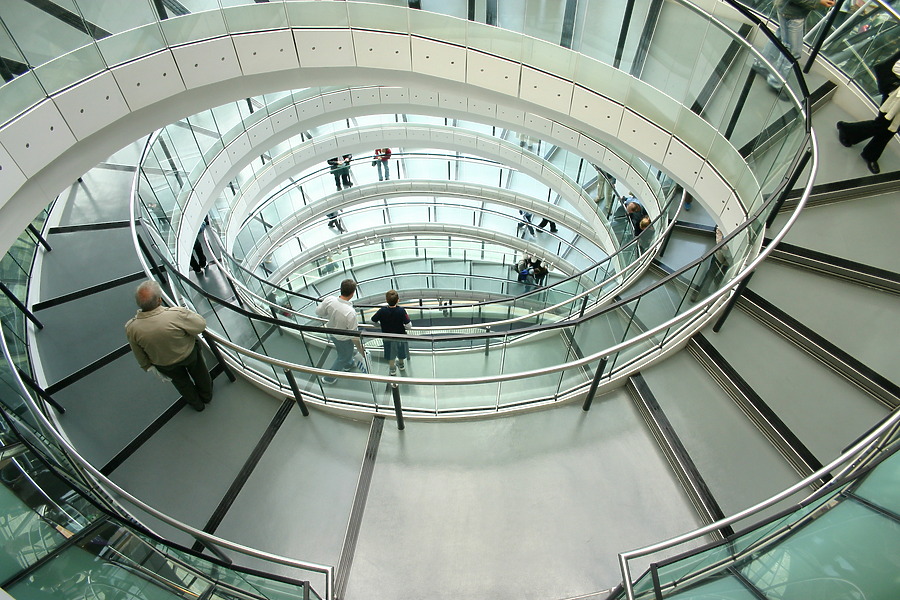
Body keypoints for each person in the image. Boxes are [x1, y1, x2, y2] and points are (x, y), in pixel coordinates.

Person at [125, 280, 212, 411]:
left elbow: (137, 351)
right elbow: (200, 325)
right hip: (188, 354)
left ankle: (197, 404)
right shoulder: (175, 315)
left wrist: (147, 366)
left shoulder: (132, 327)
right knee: (200, 374)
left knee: (181, 384)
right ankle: (207, 396)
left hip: (164, 364)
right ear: (159, 300)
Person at [836, 52, 900, 174]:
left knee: (890, 130)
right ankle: (847, 129)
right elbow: (896, 67)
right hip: (894, 98)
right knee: (881, 125)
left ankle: (871, 155)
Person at [754, 0, 836, 92]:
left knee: (780, 37)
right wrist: (817, 2)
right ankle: (775, 82)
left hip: (787, 9)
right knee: (792, 52)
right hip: (792, 14)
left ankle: (761, 63)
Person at [315, 279, 367, 384]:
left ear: (341, 289)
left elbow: (319, 312)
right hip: (344, 338)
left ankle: (348, 364)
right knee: (343, 357)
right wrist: (360, 349)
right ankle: (328, 378)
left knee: (342, 351)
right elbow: (354, 335)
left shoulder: (329, 300)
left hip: (332, 333)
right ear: (353, 293)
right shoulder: (350, 313)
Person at [371, 289, 411, 376]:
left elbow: (373, 320)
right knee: (401, 351)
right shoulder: (401, 310)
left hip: (387, 337)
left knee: (390, 353)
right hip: (400, 336)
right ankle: (401, 365)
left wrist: (379, 325)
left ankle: (392, 369)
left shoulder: (382, 311)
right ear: (398, 300)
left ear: (386, 300)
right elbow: (409, 325)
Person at [691, 227, 731, 301]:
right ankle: (699, 292)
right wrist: (728, 248)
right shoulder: (722, 226)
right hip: (719, 255)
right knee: (711, 273)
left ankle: (714, 289)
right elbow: (720, 241)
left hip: (728, 259)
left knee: (723, 274)